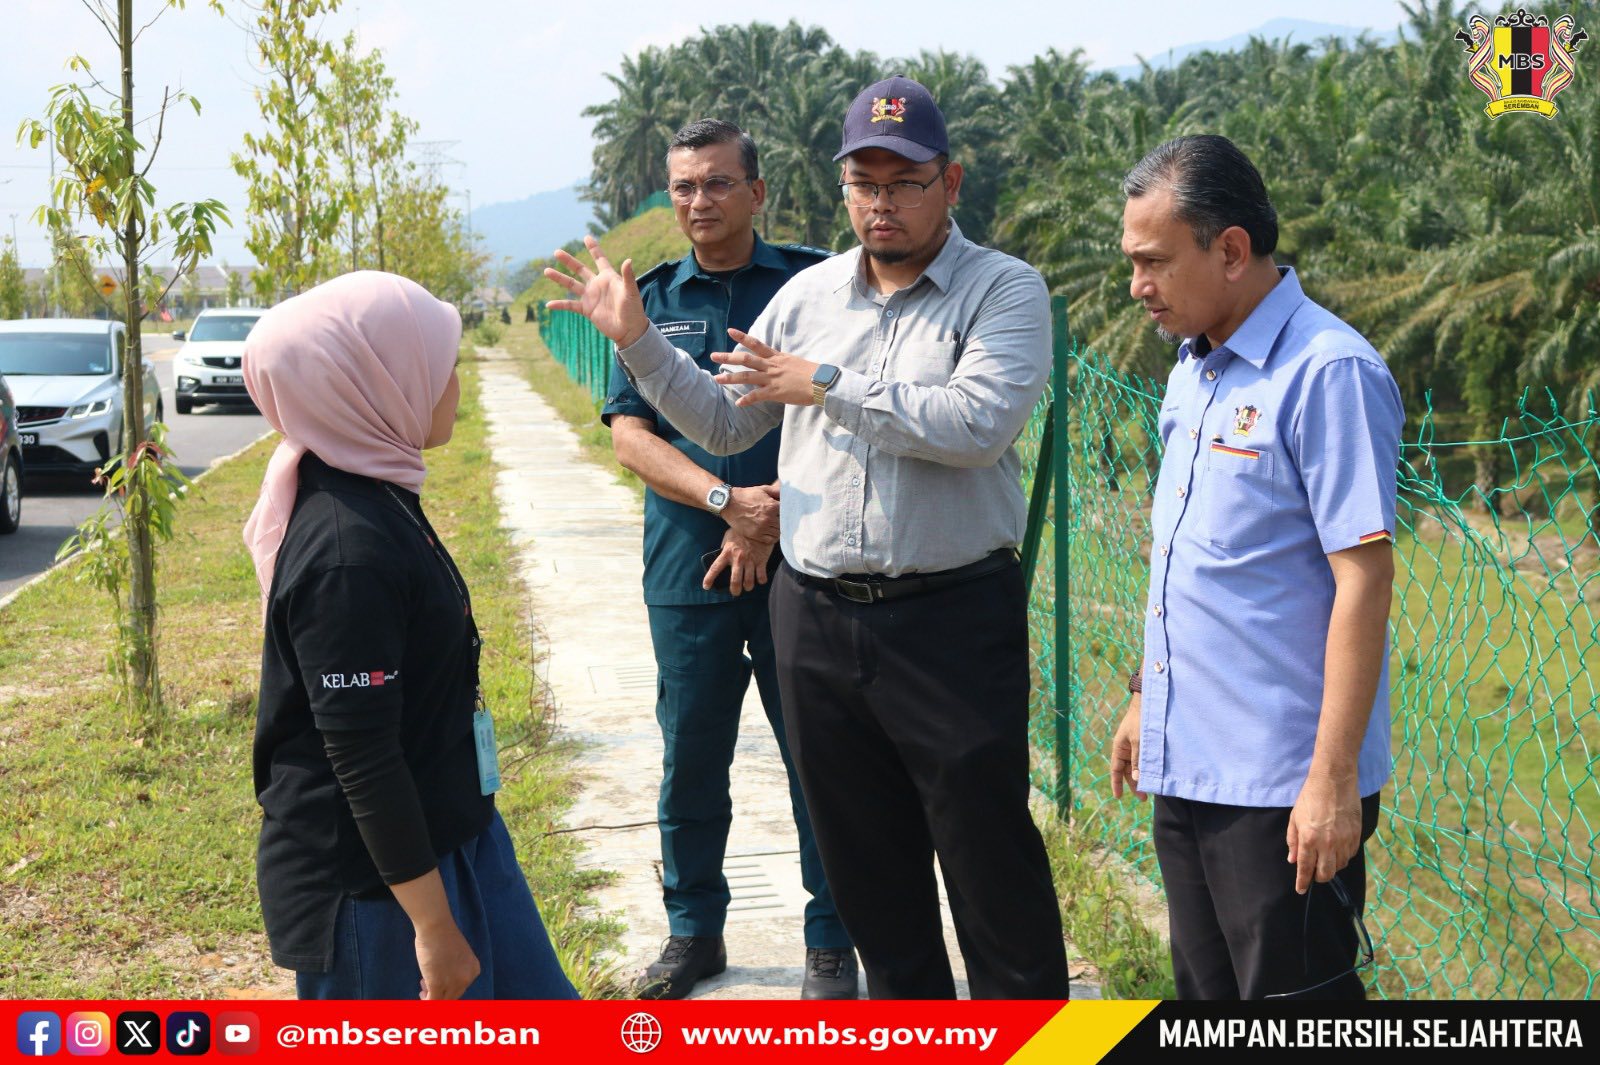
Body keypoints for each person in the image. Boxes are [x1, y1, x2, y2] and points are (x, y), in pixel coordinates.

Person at [546, 76, 1070, 1000]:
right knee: (870, 868)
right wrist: (638, 343)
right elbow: (724, 421)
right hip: (819, 617)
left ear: (949, 183)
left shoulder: (1004, 291)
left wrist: (825, 383)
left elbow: (974, 424)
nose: (881, 201)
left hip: (949, 621)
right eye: (863, 182)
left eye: (904, 181)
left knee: (987, 862)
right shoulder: (810, 295)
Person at [1109, 135, 1402, 1000]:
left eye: (1154, 262)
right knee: (1206, 997)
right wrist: (1140, 693)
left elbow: (1364, 579)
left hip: (1281, 791)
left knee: (1295, 1007)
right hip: (1187, 757)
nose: (1137, 287)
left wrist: (1333, 781)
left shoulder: (1328, 372)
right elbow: (1191, 561)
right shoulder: (1193, 370)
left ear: (1230, 250)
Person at [245, 271, 578, 1001]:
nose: (452, 381)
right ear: (375, 381)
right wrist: (433, 927)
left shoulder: (375, 488)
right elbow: (361, 756)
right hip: (382, 891)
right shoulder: (345, 553)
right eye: (440, 364)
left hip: (451, 835)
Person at [600, 119, 855, 1000]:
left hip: (808, 560)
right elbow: (631, 435)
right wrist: (727, 504)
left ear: (757, 189)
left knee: (820, 757)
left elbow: (836, 408)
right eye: (683, 187)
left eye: (715, 183)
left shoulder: (819, 284)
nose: (698, 202)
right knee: (692, 758)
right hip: (685, 570)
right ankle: (692, 932)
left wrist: (767, 519)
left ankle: (830, 941)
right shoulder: (645, 299)